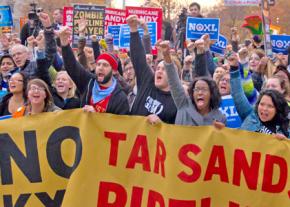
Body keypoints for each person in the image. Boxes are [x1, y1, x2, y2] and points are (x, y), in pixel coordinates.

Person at [58, 27, 129, 115]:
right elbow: (71, 66)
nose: (100, 67)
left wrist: (97, 117)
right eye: (98, 64)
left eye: (105, 65)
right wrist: (64, 43)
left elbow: (120, 126)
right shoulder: (88, 81)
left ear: (114, 70)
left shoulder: (120, 98)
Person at [158, 40, 226, 126]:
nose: (200, 92)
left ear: (211, 93)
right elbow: (173, 80)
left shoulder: (220, 118)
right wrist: (166, 55)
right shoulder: (183, 104)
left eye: (204, 89)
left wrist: (221, 132)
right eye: (196, 89)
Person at [127, 15, 177, 124]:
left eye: (164, 69)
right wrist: (134, 30)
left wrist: (162, 125)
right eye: (158, 68)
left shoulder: (177, 101)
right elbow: (138, 59)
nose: (158, 71)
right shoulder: (148, 82)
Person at [229, 54, 289, 138]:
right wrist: (234, 69)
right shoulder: (251, 115)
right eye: (262, 104)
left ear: (277, 109)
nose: (264, 109)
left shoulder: (286, 128)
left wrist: (285, 143)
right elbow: (237, 95)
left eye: (270, 106)